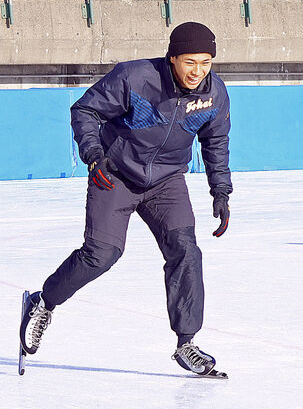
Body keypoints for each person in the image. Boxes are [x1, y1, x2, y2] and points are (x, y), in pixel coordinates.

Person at [19, 21, 233, 378]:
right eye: (190, 62)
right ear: (173, 58)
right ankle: (43, 303)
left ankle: (186, 343)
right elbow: (85, 111)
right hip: (114, 174)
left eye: (206, 62)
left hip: (166, 181)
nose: (198, 71)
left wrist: (221, 191)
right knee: (101, 254)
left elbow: (216, 142)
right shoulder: (134, 78)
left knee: (186, 250)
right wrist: (93, 155)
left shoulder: (214, 94)